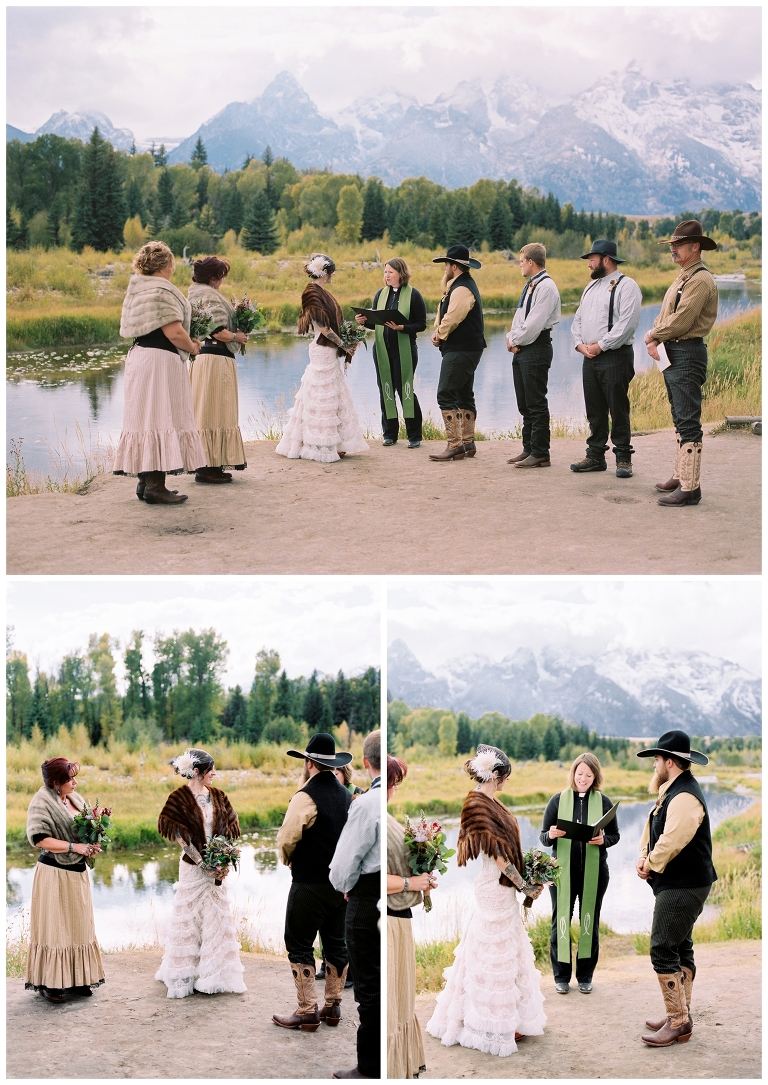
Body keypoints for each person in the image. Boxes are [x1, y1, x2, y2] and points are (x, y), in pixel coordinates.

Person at [426, 745, 546, 1056]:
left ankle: (509, 1017)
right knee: (495, 953)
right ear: (494, 775)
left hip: (503, 884)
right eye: (504, 776)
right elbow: (497, 856)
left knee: (506, 950)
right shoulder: (477, 804)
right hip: (494, 884)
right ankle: (489, 1023)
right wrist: (525, 886)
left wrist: (527, 877)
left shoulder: (491, 801)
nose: (506, 781)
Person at [635, 730, 717, 1047]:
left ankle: (678, 1021)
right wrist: (644, 856)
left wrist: (651, 863)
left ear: (670, 762)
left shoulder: (685, 796)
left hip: (686, 883)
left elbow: (672, 839)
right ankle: (679, 1014)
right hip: (681, 882)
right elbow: (651, 828)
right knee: (680, 946)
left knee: (662, 947)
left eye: (657, 760)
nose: (654, 765)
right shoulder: (671, 791)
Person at [113, 241, 207, 505]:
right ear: (168, 264)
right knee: (159, 415)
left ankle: (145, 483)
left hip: (140, 356)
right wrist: (193, 347)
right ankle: (155, 486)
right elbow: (174, 332)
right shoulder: (161, 290)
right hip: (158, 360)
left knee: (145, 416)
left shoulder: (137, 288)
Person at [273, 733, 353, 1031]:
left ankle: (307, 1010)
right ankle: (333, 1008)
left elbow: (286, 837)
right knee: (335, 943)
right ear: (332, 765)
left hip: (309, 882)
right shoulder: (347, 796)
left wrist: (288, 859)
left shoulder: (304, 797)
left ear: (309, 764)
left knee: (298, 942)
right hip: (340, 886)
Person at [155, 748, 246, 998]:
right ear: (196, 772)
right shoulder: (178, 799)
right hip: (193, 870)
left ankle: (213, 975)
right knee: (190, 919)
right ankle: (185, 974)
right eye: (210, 769)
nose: (214, 773)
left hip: (216, 870)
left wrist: (223, 861)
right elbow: (181, 838)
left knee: (216, 918)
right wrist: (204, 865)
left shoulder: (219, 796)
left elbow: (227, 830)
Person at [644, 220, 719, 506]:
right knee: (679, 414)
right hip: (674, 351)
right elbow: (666, 315)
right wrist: (656, 338)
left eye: (678, 245)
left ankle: (690, 487)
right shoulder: (683, 276)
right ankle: (680, 474)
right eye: (672, 245)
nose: (672, 249)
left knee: (688, 418)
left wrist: (652, 334)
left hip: (687, 352)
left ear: (695, 246)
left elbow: (683, 320)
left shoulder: (700, 279)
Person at [25, 757, 105, 1003]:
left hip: (77, 873)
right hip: (54, 873)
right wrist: (74, 846)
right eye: (69, 779)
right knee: (56, 928)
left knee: (79, 926)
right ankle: (52, 983)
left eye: (74, 777)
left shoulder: (74, 799)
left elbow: (86, 831)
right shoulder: (41, 801)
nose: (75, 782)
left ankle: (79, 979)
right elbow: (39, 839)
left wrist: (92, 845)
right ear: (56, 782)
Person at [539, 752, 620, 994]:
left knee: (589, 922)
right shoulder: (557, 800)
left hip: (594, 874)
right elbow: (543, 836)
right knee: (560, 922)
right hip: (561, 874)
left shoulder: (603, 801)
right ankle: (561, 977)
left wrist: (603, 840)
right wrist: (551, 835)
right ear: (573, 773)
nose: (583, 778)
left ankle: (585, 976)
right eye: (579, 773)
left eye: (588, 774)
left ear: (595, 776)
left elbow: (615, 835)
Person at [275, 254, 369, 463]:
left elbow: (334, 324)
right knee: (322, 395)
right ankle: (319, 444)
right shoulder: (312, 293)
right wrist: (343, 345)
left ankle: (335, 442)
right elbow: (324, 328)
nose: (333, 275)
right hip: (322, 348)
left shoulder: (323, 292)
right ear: (325, 273)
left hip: (329, 350)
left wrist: (352, 330)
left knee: (331, 394)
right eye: (332, 272)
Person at [329, 730, 382, 1079]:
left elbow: (343, 866)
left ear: (364, 763)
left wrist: (347, 887)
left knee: (367, 989)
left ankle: (369, 1068)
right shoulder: (389, 802)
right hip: (389, 898)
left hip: (365, 899)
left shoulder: (365, 804)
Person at [569, 240, 642, 478]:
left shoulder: (626, 286)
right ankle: (595, 456)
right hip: (589, 357)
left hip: (615, 356)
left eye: (592, 259)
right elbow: (577, 320)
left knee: (618, 408)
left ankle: (623, 459)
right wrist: (580, 344)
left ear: (606, 260)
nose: (589, 264)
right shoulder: (589, 289)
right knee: (594, 409)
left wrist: (601, 345)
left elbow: (626, 325)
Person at [386, 754, 434, 1078]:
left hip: (402, 920)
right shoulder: (377, 817)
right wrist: (411, 882)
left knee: (403, 999)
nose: (395, 787)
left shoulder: (391, 818)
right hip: (387, 921)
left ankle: (403, 1066)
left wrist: (424, 880)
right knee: (391, 1002)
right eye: (395, 780)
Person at [187, 256, 249, 484]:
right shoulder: (209, 295)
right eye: (221, 276)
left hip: (204, 359)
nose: (223, 280)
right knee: (215, 410)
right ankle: (207, 467)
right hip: (215, 359)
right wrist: (237, 336)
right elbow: (216, 330)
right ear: (214, 278)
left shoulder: (196, 293)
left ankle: (208, 464)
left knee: (205, 411)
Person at [355, 258, 427, 448]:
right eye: (385, 272)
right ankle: (390, 434)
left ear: (400, 273)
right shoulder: (380, 295)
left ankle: (414, 436)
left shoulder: (414, 295)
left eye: (390, 272)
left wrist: (402, 326)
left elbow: (421, 324)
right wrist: (364, 321)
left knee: (405, 391)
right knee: (386, 390)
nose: (386, 276)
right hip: (382, 350)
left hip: (405, 350)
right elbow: (377, 322)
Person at [505, 243, 561, 468]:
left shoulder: (546, 287)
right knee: (525, 402)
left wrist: (516, 339)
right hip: (524, 347)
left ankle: (540, 452)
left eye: (521, 260)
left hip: (536, 347)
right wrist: (511, 339)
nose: (519, 264)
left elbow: (534, 325)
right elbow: (520, 319)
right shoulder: (531, 285)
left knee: (536, 401)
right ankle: (528, 448)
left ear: (531, 262)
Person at [429, 245, 487, 461]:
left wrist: (440, 335)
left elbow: (454, 316)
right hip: (467, 348)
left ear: (455, 266)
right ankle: (468, 443)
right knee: (463, 393)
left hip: (462, 348)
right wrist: (440, 333)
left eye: (446, 265)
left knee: (445, 392)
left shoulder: (462, 288)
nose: (444, 268)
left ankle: (455, 445)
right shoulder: (459, 285)